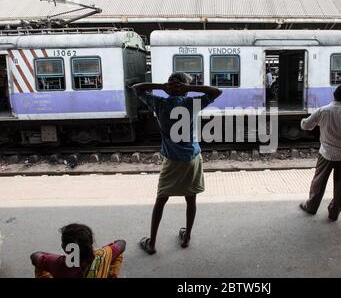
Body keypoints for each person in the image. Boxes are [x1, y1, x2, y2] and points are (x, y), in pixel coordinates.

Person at [131, 72, 222, 254]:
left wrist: (162, 86)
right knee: (191, 199)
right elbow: (216, 91)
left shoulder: (159, 103)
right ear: (185, 89)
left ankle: (152, 243)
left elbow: (136, 88)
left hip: (171, 161)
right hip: (192, 159)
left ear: (170, 87)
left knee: (161, 200)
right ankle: (186, 237)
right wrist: (189, 88)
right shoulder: (191, 103)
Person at [299, 84, 341, 221]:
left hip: (326, 154)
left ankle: (311, 207)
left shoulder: (322, 111)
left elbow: (306, 125)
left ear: (334, 94)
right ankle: (334, 213)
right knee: (340, 186)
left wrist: (303, 121)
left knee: (318, 182)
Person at [30, 223, 126, 278]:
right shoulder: (103, 255)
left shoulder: (58, 264)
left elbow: (35, 256)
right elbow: (122, 243)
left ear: (65, 248)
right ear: (91, 242)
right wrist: (104, 250)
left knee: (41, 265)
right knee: (116, 255)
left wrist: (49, 256)